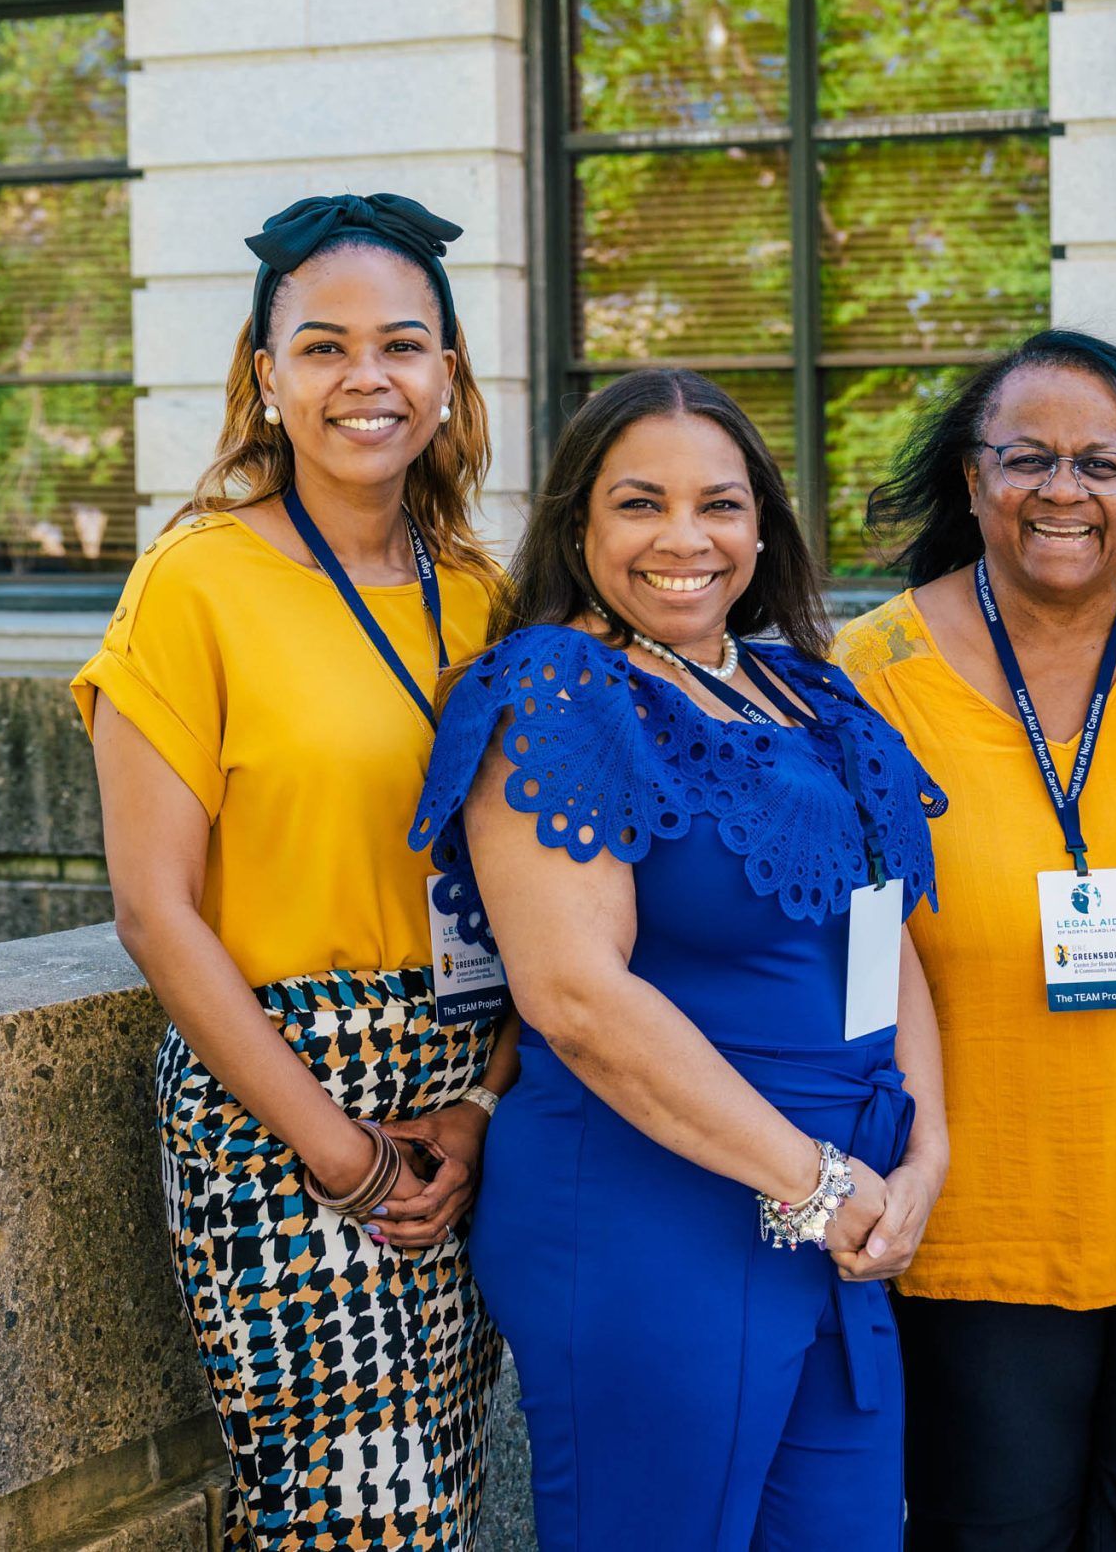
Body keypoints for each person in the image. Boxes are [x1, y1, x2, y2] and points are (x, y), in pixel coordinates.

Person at [409, 369, 950, 1552]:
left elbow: (884, 932)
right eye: (640, 504)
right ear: (579, 526)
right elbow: (577, 998)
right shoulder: (555, 689)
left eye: (719, 503)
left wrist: (925, 1152)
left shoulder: (805, 692)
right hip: (650, 1208)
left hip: (837, 1209)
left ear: (762, 523)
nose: (684, 539)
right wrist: (812, 1180)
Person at [75, 193, 512, 1549]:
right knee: (337, 1519)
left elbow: (522, 888)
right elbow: (154, 909)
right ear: (266, 379)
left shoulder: (479, 586)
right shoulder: (193, 580)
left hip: (457, 1094)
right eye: (322, 348)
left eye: (402, 344)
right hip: (281, 1109)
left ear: (448, 372)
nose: (365, 378)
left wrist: (481, 1108)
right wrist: (343, 1155)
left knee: (440, 1501)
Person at [833, 330, 1116, 1550]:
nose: (1063, 489)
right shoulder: (870, 675)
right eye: (1026, 457)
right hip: (973, 1217)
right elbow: (841, 945)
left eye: (1102, 461)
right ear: (972, 480)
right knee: (990, 1532)